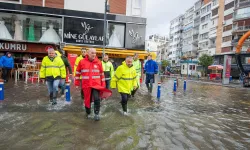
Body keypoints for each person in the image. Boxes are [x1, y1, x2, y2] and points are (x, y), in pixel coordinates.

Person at [75, 48, 112, 121]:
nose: (94, 54)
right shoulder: (82, 62)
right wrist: (77, 83)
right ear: (88, 53)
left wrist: (103, 84)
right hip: (86, 85)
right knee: (87, 100)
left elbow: (102, 74)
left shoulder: (98, 62)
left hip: (96, 84)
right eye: (92, 53)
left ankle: (96, 114)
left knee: (97, 98)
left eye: (95, 53)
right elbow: (77, 73)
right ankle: (88, 113)